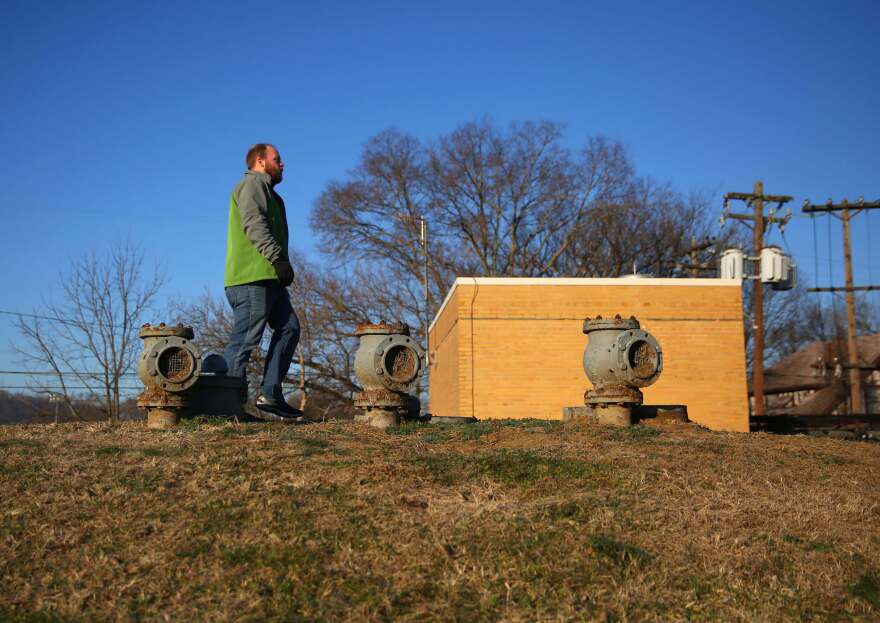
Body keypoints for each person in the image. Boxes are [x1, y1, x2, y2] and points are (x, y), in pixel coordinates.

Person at [223, 143, 303, 420]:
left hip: (270, 279)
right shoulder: (251, 186)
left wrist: (280, 267)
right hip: (251, 278)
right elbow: (254, 224)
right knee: (245, 339)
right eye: (277, 159)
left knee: (289, 328)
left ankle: (270, 394)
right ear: (260, 161)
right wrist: (278, 259)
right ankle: (226, 404)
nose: (282, 164)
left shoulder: (273, 196)